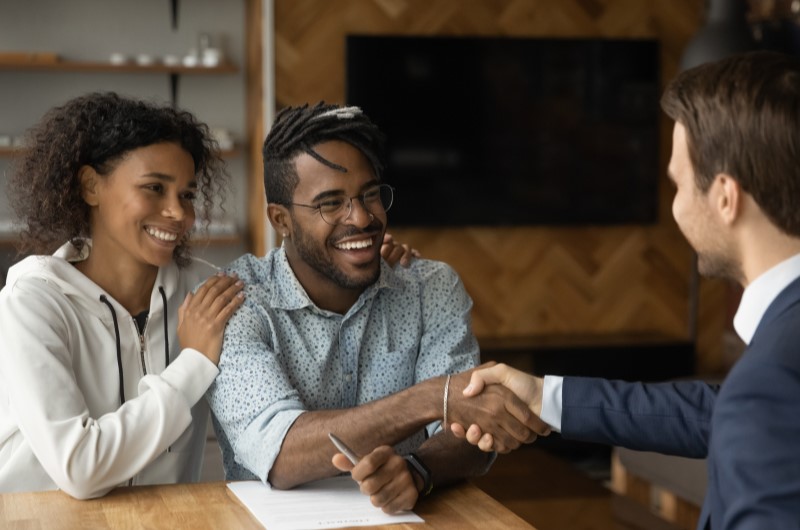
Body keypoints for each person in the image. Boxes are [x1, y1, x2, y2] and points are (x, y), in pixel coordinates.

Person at [452, 51, 800, 529]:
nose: (676, 207)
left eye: (678, 186)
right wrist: (542, 397)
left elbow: (751, 410)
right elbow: (723, 413)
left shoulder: (769, 386)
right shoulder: (778, 366)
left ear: (725, 197)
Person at [206, 102, 548, 514]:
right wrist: (431, 398)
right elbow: (280, 453)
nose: (363, 218)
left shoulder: (430, 288)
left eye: (370, 194)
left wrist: (419, 469)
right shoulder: (236, 303)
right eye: (331, 203)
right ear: (281, 220)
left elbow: (469, 432)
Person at [0, 92, 247, 498]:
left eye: (186, 195)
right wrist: (194, 363)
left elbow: (287, 305)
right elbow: (81, 468)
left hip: (163, 523)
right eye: (154, 188)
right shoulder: (33, 303)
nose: (178, 213)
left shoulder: (202, 294)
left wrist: (372, 273)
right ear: (90, 186)